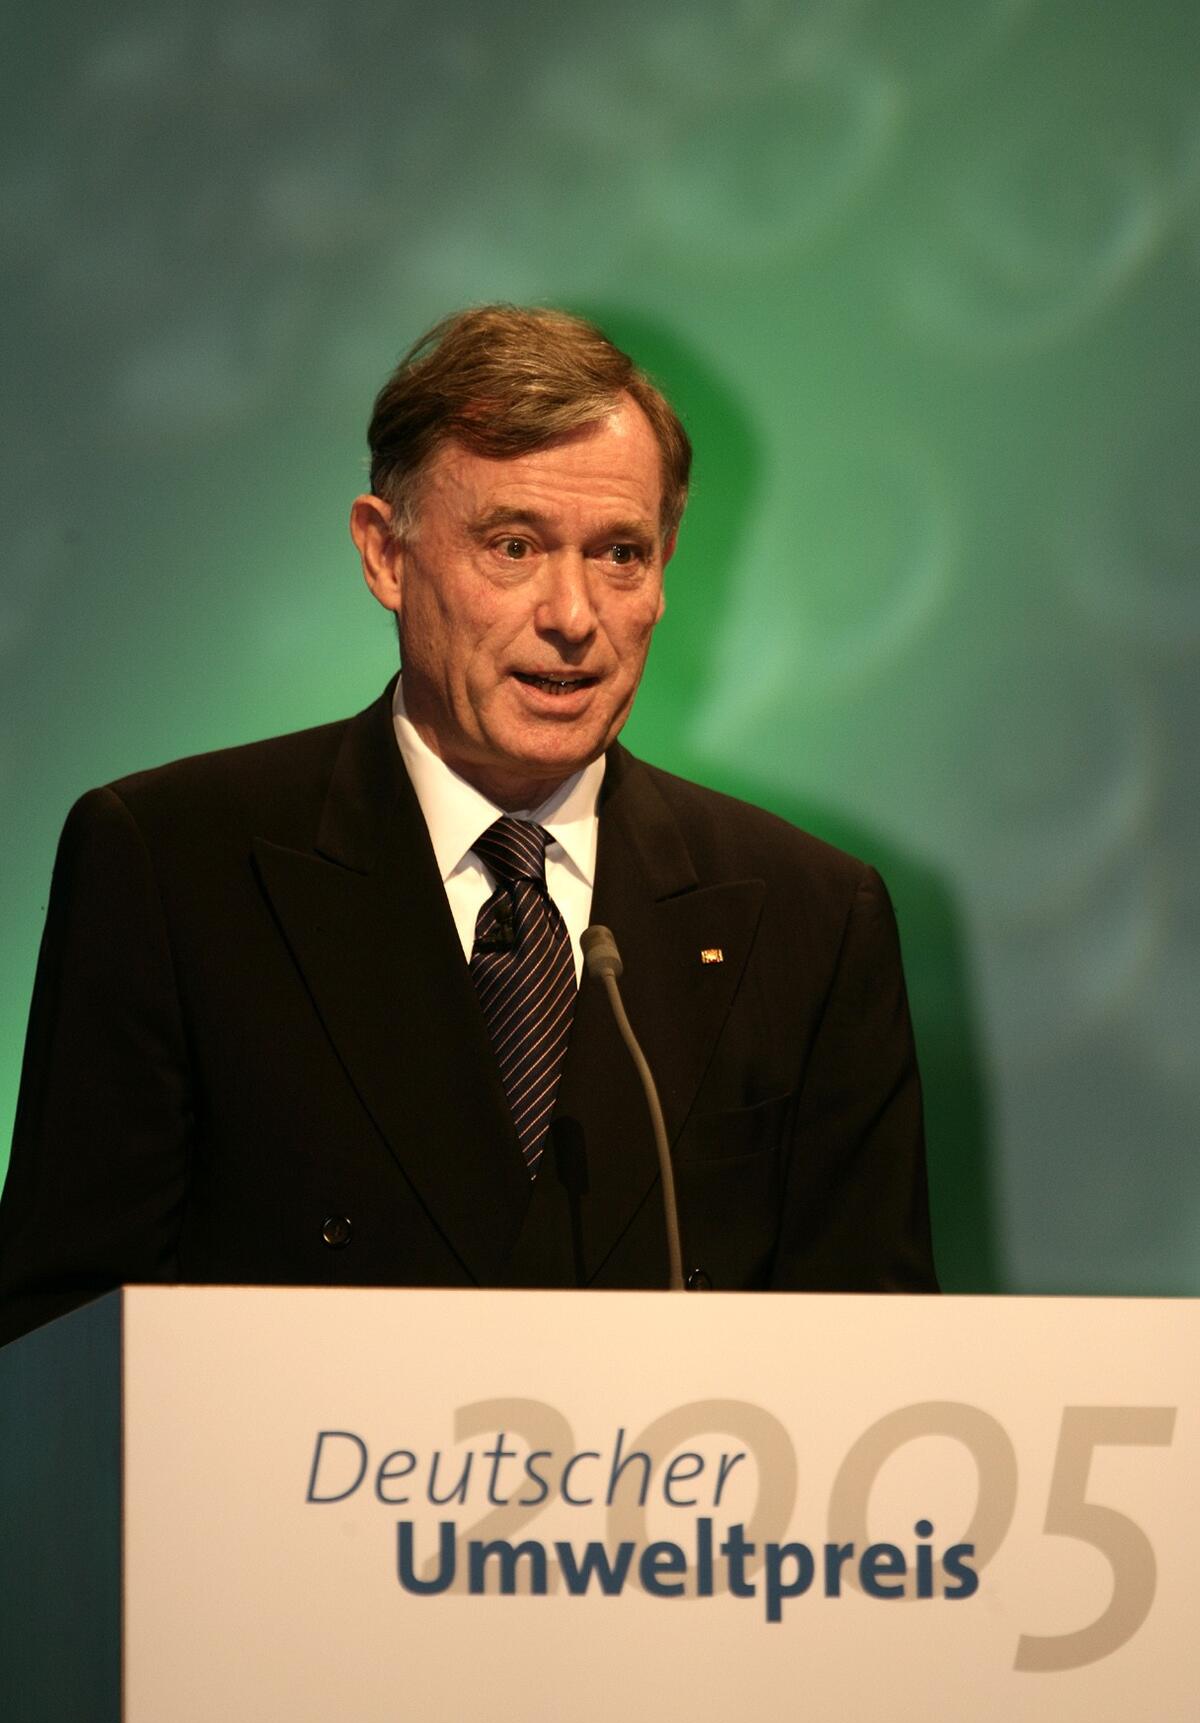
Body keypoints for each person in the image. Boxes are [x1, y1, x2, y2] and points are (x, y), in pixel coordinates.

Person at [0, 306, 936, 1345]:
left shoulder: (809, 917)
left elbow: (878, 1363)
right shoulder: (174, 865)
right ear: (385, 555)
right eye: (514, 546)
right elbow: (62, 1339)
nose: (573, 615)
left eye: (620, 554)